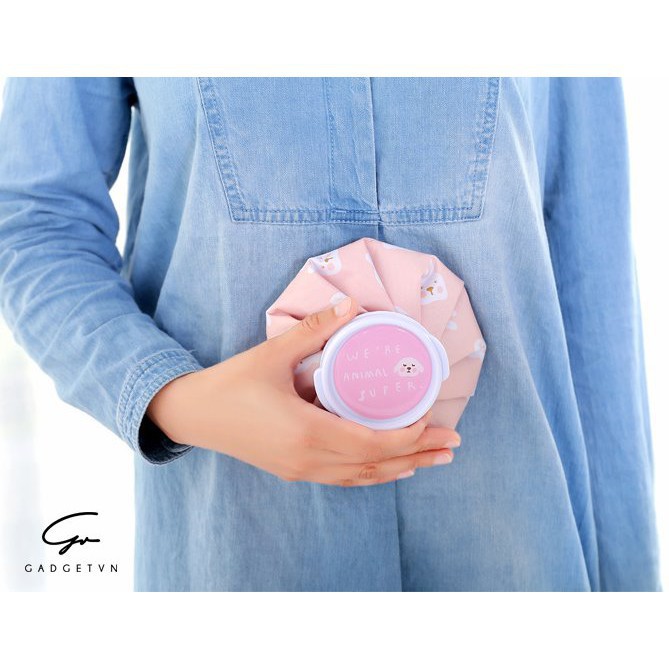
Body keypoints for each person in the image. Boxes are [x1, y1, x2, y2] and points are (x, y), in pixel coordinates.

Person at [0, 77, 660, 591]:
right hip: (241, 542)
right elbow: (33, 221)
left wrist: (629, 591)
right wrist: (174, 398)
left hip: (521, 540)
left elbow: (588, 257)